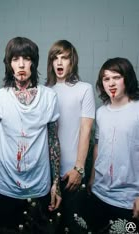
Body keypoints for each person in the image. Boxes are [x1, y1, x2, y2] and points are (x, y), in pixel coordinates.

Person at [0, 37, 61, 232]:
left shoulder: (49, 97)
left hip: (39, 187)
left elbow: (53, 143)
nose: (21, 64)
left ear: (34, 62)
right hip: (4, 186)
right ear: (9, 64)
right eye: (15, 59)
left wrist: (55, 184)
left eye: (26, 58)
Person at [46, 40, 95, 233]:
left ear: (72, 61)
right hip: (47, 174)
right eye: (55, 58)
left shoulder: (84, 88)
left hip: (72, 172)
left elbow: (86, 130)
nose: (59, 62)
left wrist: (79, 168)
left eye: (64, 58)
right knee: (49, 226)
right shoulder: (45, 91)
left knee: (74, 226)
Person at [87, 57, 139, 232]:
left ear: (127, 78)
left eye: (116, 77)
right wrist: (92, 178)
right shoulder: (101, 112)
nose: (111, 83)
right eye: (106, 78)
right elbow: (97, 147)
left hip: (128, 200)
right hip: (99, 194)